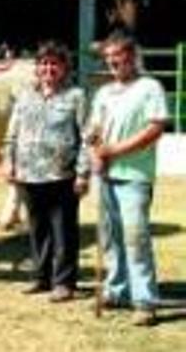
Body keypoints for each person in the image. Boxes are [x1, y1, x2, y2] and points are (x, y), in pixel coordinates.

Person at [86, 32, 167, 327]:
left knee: (135, 238)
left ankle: (145, 301)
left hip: (134, 175)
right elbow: (93, 127)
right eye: (108, 58)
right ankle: (117, 289)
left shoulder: (149, 87)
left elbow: (155, 128)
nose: (112, 63)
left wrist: (115, 150)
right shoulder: (104, 93)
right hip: (107, 174)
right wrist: (94, 144)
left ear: (132, 56)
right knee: (111, 238)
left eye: (118, 56)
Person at [4, 41, 89, 303]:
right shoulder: (25, 96)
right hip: (29, 174)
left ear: (64, 67)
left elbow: (87, 137)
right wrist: (9, 162)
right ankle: (41, 277)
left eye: (54, 63)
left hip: (62, 175)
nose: (48, 68)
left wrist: (83, 173)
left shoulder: (76, 96)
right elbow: (12, 135)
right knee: (38, 229)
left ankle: (64, 282)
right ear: (36, 68)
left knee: (63, 230)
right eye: (43, 63)